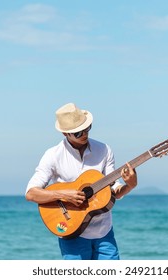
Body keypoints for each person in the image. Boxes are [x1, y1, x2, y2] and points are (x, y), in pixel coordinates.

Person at [25, 102, 138, 260]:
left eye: (87, 128)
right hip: (71, 230)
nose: (84, 134)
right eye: (78, 133)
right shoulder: (53, 155)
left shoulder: (104, 150)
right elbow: (31, 194)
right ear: (65, 133)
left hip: (104, 231)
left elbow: (114, 192)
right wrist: (64, 195)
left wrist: (130, 186)